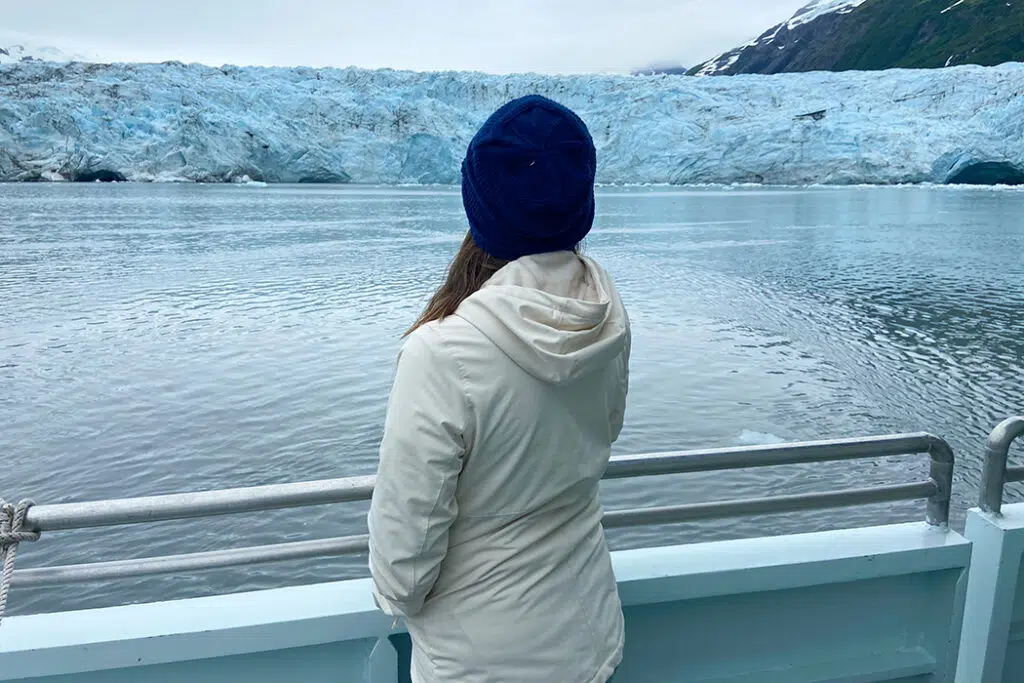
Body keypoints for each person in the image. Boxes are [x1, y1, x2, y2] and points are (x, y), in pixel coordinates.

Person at [367, 94, 630, 683]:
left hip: (481, 657)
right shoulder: (607, 316)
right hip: (589, 629)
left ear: (481, 205)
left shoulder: (441, 352)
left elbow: (406, 547)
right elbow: (601, 435)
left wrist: (396, 600)